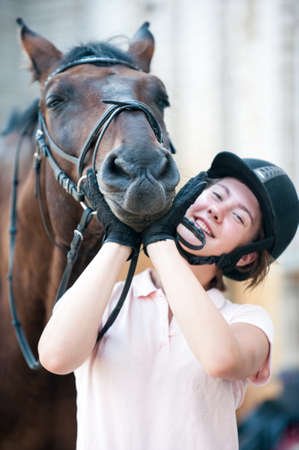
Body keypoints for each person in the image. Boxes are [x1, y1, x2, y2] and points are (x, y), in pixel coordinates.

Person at [38, 151, 298, 450]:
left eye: (239, 216)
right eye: (215, 195)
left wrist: (159, 242)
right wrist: (119, 239)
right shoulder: (108, 298)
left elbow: (221, 359)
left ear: (247, 256)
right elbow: (55, 357)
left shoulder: (247, 321)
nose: (216, 211)